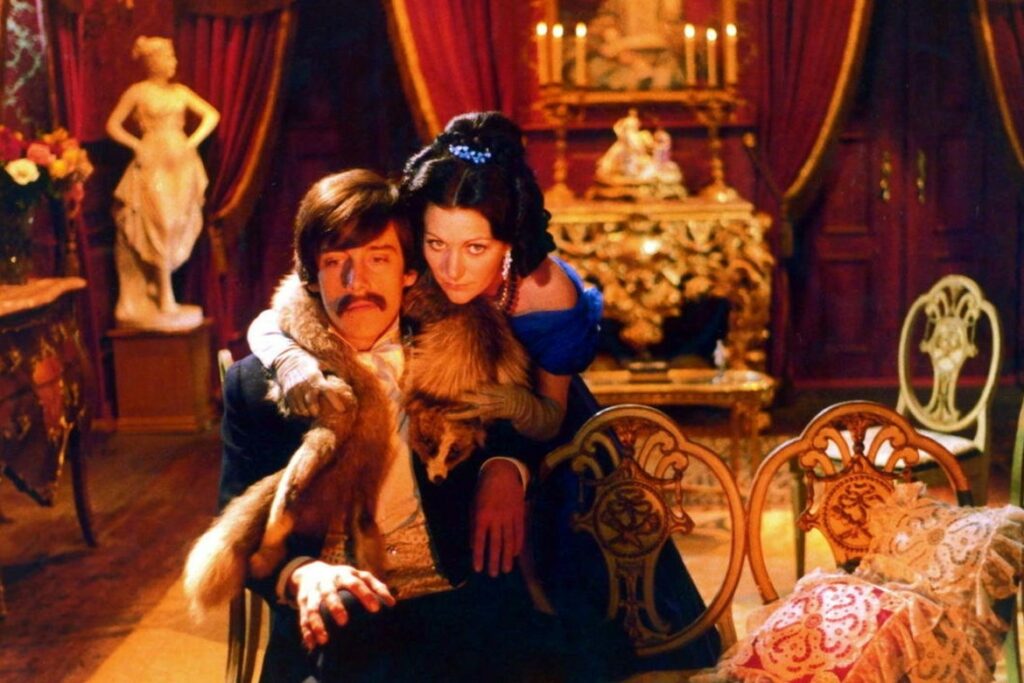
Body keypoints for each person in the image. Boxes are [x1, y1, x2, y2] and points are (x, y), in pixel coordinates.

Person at [250, 111, 720, 677]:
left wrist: (508, 460)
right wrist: (288, 358)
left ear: (508, 242)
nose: (451, 270)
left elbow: (550, 420)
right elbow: (286, 310)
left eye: (476, 248)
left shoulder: (543, 293)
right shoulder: (403, 263)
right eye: (435, 245)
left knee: (570, 615)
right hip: (455, 432)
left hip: (549, 438)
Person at [222, 169, 564, 683]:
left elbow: (533, 427)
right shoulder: (257, 384)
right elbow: (236, 523)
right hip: (338, 624)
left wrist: (505, 466)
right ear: (310, 278)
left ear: (409, 272)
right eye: (335, 263)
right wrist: (303, 574)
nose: (356, 283)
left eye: (377, 259)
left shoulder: (468, 344)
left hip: (459, 603)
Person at [106, 35, 219, 329]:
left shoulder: (180, 92)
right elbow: (113, 125)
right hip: (153, 161)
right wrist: (137, 145)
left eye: (173, 56)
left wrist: (191, 142)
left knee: (179, 222)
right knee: (162, 222)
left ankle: (162, 286)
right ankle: (164, 292)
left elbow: (211, 115)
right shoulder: (138, 92)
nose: (173, 62)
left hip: (181, 163)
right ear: (152, 61)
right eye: (168, 57)